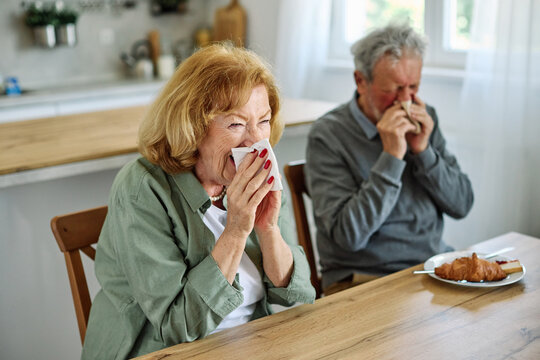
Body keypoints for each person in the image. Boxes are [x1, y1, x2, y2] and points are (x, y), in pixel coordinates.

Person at [82, 44, 315, 359]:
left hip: (253, 344)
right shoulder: (142, 187)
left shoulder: (257, 173)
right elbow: (178, 327)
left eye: (263, 121)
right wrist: (234, 230)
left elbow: (299, 298)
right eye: (235, 124)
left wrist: (268, 227)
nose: (255, 141)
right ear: (192, 127)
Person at [305, 23, 474, 296]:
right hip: (361, 280)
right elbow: (348, 237)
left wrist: (424, 152)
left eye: (414, 87)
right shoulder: (328, 134)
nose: (405, 101)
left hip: (431, 268)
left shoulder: (425, 116)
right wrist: (392, 156)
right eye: (394, 90)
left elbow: (462, 204)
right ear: (361, 81)